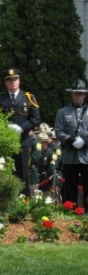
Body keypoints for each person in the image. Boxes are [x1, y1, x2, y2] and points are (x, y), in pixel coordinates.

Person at [0, 68, 40, 196]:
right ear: (5, 82)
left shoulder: (28, 98)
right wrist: (5, 127)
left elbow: (35, 119)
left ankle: (24, 201)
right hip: (5, 142)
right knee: (4, 171)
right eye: (9, 80)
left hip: (23, 141)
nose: (13, 82)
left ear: (19, 81)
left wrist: (21, 128)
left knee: (23, 173)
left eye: (15, 79)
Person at [54, 79, 88, 208]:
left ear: (84, 95)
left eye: (80, 93)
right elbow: (58, 130)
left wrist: (84, 140)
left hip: (86, 155)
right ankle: (70, 213)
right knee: (69, 187)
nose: (78, 96)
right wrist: (71, 140)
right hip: (70, 155)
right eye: (75, 93)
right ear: (72, 95)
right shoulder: (63, 112)